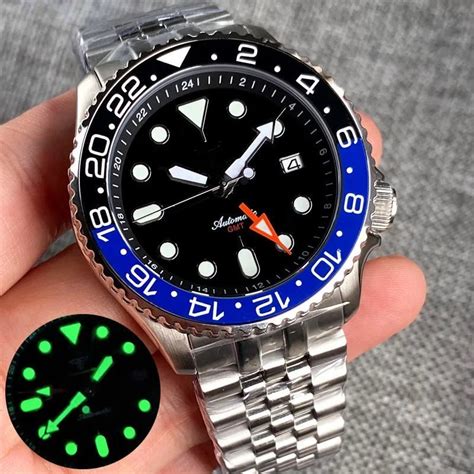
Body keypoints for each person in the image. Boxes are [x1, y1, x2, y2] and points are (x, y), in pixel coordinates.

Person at [0, 91, 426, 473]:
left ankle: (280, 444)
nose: (227, 186)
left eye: (231, 182)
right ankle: (264, 448)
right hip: (196, 320)